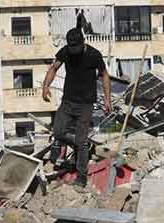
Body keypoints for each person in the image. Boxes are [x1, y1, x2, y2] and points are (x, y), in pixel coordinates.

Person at [42, 27, 112, 187]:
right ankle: (77, 143)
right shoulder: (65, 51)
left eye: (76, 47)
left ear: (83, 42)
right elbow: (54, 68)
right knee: (58, 131)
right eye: (71, 47)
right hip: (68, 101)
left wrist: (108, 100)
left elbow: (105, 75)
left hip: (86, 104)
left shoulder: (94, 55)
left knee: (82, 142)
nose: (73, 51)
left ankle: (81, 176)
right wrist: (46, 86)